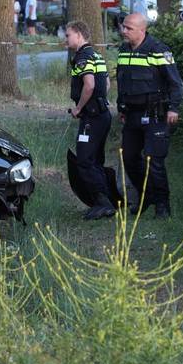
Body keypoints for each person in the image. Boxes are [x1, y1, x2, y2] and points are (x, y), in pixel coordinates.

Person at [116, 12, 183, 219]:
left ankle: (162, 206)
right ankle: (147, 195)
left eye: (129, 28)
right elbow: (123, 82)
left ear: (142, 30)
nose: (123, 31)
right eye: (123, 27)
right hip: (132, 114)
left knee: (154, 160)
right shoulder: (123, 50)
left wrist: (174, 108)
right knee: (128, 157)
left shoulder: (158, 50)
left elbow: (176, 83)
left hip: (156, 115)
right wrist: (122, 108)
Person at [65, 21, 115, 220]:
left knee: (85, 161)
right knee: (96, 159)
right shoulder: (96, 55)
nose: (66, 39)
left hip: (92, 118)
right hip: (102, 114)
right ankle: (105, 201)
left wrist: (79, 108)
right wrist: (101, 101)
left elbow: (89, 85)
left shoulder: (82, 57)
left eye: (68, 35)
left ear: (78, 34)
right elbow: (107, 82)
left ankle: (103, 203)